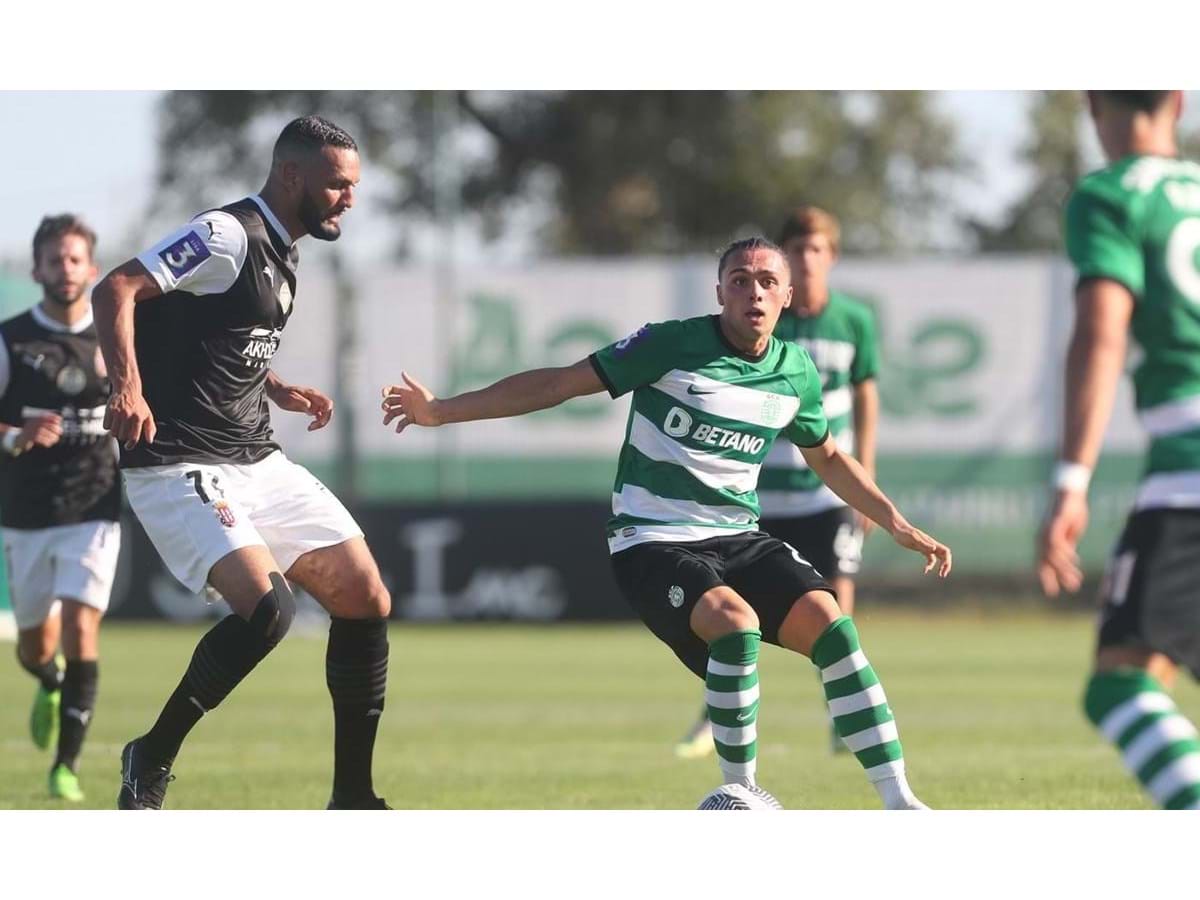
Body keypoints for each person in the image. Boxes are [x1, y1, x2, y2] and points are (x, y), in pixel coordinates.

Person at [382, 237, 950, 809]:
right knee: (735, 624)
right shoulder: (670, 344)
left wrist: (895, 521)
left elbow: (826, 455)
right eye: (739, 279)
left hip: (738, 536)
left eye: (767, 282)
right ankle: (742, 795)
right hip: (651, 540)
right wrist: (441, 411)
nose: (753, 290)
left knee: (834, 628)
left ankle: (901, 803)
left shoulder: (795, 372)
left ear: (787, 296)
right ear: (720, 290)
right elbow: (557, 384)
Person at [92, 115, 392, 810]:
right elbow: (118, 290)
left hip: (255, 455)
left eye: (353, 185)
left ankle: (352, 797)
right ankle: (152, 754)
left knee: (366, 598)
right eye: (338, 184)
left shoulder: (285, 249)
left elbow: (213, 338)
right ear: (292, 175)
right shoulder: (228, 234)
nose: (349, 198)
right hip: (178, 461)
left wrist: (277, 386)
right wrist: (126, 387)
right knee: (267, 614)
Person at [1038, 89, 1200, 810]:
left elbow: (1102, 334)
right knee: (1151, 661)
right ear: (1179, 99)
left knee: (1120, 684)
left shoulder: (1109, 196)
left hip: (1189, 470)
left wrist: (1072, 479)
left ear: (1093, 103)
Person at [674, 206, 881, 759]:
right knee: (730, 606)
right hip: (762, 491)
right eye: (798, 251)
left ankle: (844, 715)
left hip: (824, 492)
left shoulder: (854, 320)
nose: (807, 261)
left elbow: (865, 396)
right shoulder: (763, 318)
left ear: (830, 257)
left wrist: (869, 479)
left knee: (835, 602)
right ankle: (713, 714)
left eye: (817, 250)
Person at [2, 214, 119, 802]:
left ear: (92, 269)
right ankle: (47, 683)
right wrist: (13, 436)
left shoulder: (116, 337)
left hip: (95, 506)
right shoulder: (11, 339)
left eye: (75, 259)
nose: (65, 269)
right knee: (35, 648)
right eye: (55, 260)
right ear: (37, 269)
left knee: (80, 626)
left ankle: (64, 767)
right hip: (25, 512)